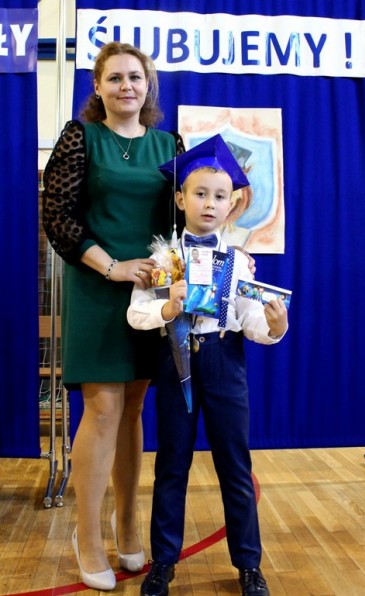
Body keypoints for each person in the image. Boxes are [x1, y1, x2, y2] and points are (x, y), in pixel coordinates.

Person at [42, 41, 187, 591]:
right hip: (98, 288)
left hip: (152, 294)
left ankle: (128, 525)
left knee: (133, 411)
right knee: (102, 412)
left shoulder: (170, 144)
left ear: (149, 87)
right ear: (98, 87)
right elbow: (57, 215)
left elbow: (185, 218)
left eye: (136, 77)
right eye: (115, 78)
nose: (127, 86)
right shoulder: (80, 137)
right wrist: (112, 267)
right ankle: (88, 536)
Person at [126, 134, 289, 596]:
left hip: (224, 363)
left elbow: (250, 319)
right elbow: (136, 313)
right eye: (200, 193)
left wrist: (274, 325)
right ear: (181, 199)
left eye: (220, 196)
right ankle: (164, 562)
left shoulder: (238, 263)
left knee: (235, 466)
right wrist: (168, 307)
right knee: (171, 465)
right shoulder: (163, 259)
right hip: (176, 362)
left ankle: (249, 565)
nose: (210, 204)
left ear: (230, 203)